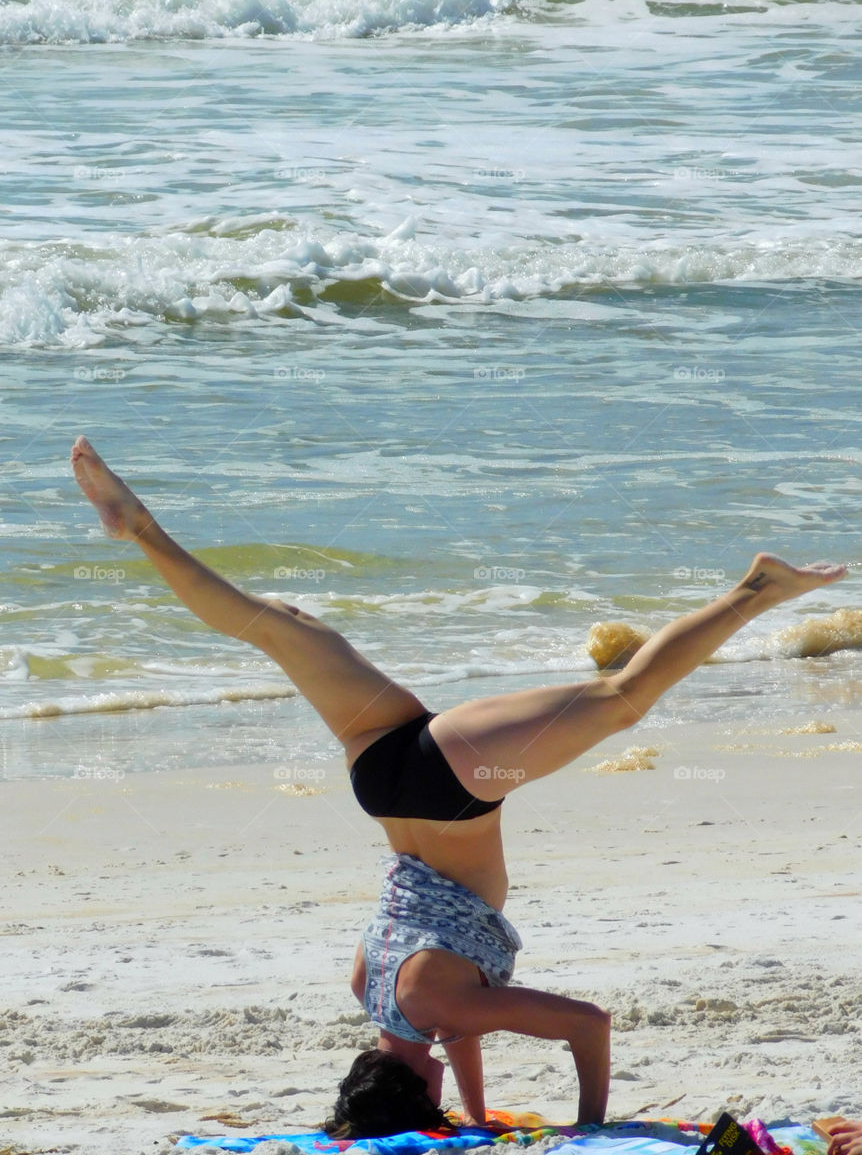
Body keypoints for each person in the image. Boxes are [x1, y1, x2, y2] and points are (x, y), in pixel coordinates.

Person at [70, 436, 847, 1135]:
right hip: (380, 773)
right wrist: (476, 1112)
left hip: (455, 787)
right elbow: (452, 1021)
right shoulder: (374, 991)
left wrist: (588, 1131)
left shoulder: (440, 1006)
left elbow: (588, 1025)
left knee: (622, 698)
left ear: (418, 1094)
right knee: (271, 625)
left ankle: (757, 588)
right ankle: (142, 530)